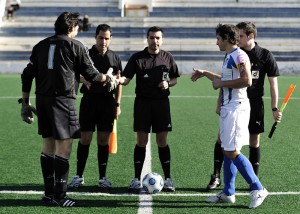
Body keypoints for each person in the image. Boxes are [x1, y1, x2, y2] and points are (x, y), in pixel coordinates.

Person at [20, 12, 118, 207]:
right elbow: (92, 74)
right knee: (64, 148)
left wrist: (25, 103)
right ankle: (60, 196)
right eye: (77, 27)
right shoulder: (76, 45)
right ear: (72, 28)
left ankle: (49, 194)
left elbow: (26, 74)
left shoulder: (40, 45)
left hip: (43, 100)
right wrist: (109, 79)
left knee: (48, 145)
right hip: (63, 100)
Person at [191, 24, 268, 209]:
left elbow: (247, 80)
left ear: (226, 38)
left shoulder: (240, 55)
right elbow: (224, 79)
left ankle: (258, 188)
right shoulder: (230, 56)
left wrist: (221, 83)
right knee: (227, 148)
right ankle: (228, 192)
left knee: (232, 151)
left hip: (236, 108)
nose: (216, 42)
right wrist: (205, 74)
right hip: (229, 107)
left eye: (218, 38)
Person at [205, 21, 282, 191]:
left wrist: (274, 108)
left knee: (245, 144)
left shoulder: (253, 55)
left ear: (251, 36)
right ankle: (223, 184)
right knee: (225, 143)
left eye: (240, 36)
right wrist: (219, 100)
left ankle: (255, 183)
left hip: (246, 104)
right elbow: (225, 79)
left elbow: (267, 84)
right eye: (236, 35)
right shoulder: (231, 54)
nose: (237, 38)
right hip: (231, 104)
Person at [118, 26, 180, 193]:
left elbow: (174, 78)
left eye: (158, 37)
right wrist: (118, 80)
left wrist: (168, 83)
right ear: (147, 39)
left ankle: (168, 179)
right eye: (152, 37)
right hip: (143, 104)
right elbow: (127, 79)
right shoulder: (137, 58)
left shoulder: (168, 57)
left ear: (162, 39)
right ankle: (136, 179)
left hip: (161, 104)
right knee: (141, 141)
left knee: (162, 141)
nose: (155, 40)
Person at [68, 24, 122, 190]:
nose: (103, 41)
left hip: (107, 102)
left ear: (110, 39)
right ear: (95, 37)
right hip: (89, 101)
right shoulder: (86, 54)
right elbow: (74, 72)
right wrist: (84, 80)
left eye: (107, 38)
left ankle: (102, 177)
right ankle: (78, 176)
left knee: (103, 140)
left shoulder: (115, 57)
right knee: (85, 139)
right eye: (101, 38)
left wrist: (118, 104)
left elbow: (119, 82)